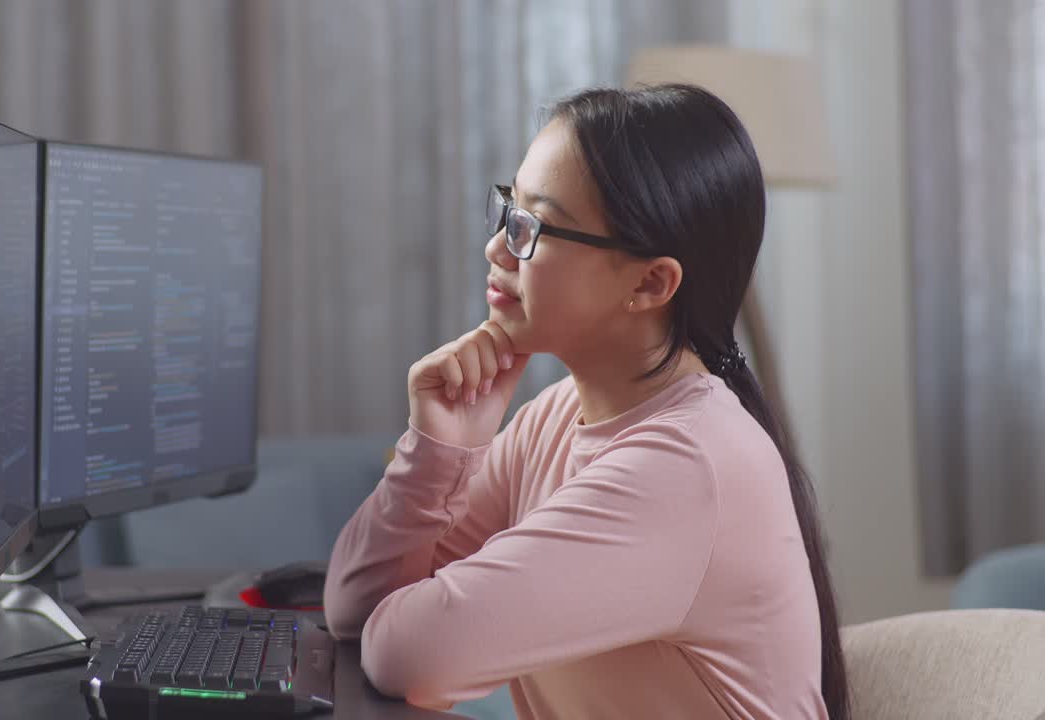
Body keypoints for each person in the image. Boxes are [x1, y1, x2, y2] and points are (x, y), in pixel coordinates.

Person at [323, 84, 850, 719]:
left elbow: (408, 656)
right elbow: (353, 618)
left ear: (650, 282)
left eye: (531, 227)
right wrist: (437, 454)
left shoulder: (686, 467)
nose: (497, 249)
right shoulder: (557, 413)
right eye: (507, 210)